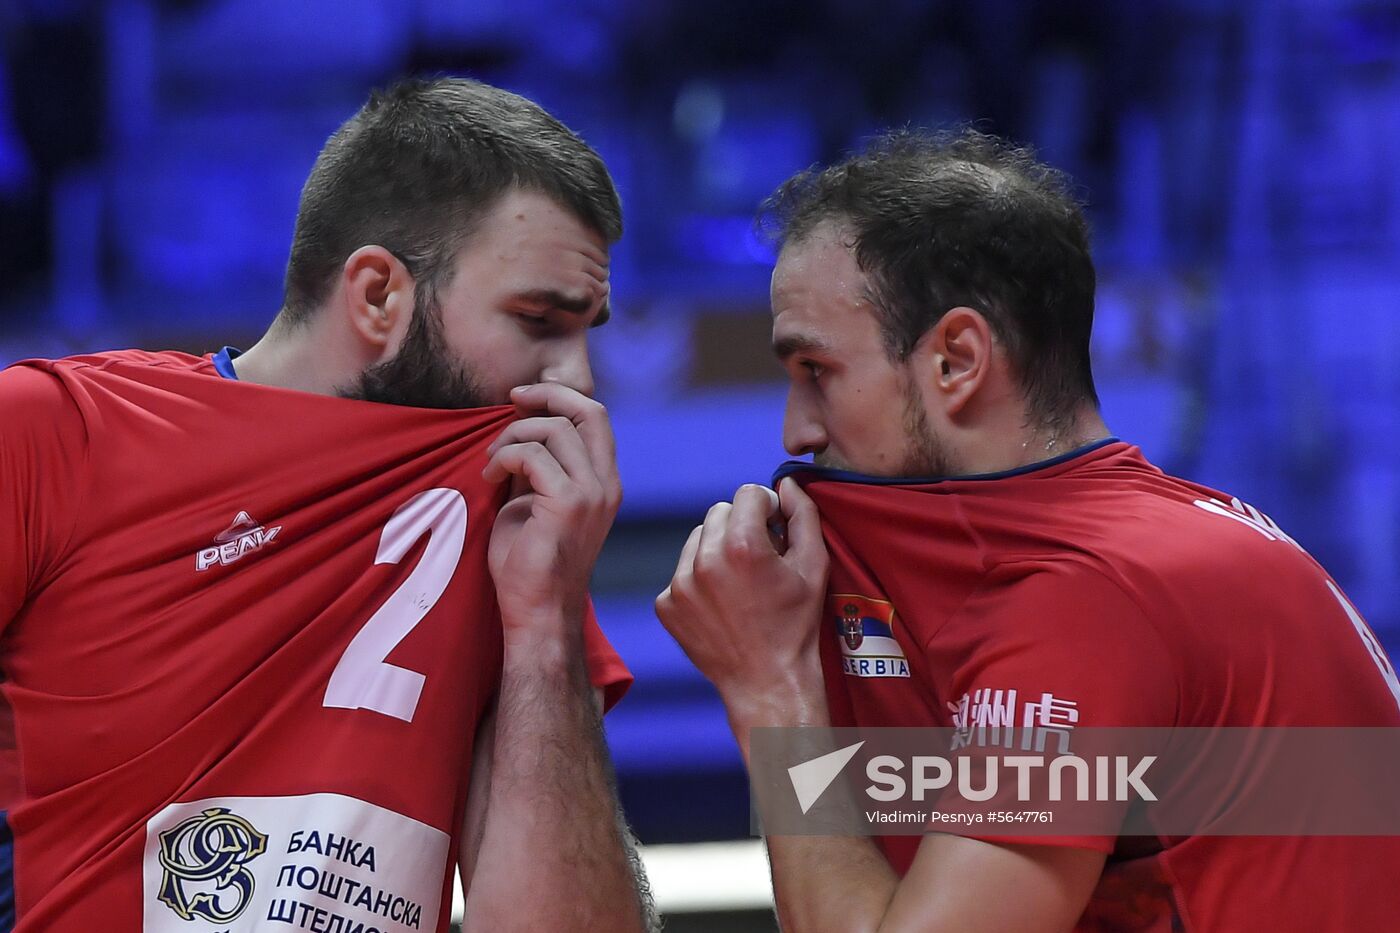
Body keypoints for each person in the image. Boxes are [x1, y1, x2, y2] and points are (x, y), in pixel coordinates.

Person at [656, 129, 1400, 932]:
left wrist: (774, 691)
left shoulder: (1081, 595)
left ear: (956, 360)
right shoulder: (1170, 536)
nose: (796, 431)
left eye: (816, 372)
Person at [0, 77, 653, 932]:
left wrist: (545, 627)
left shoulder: (516, 532)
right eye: (538, 320)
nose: (579, 380)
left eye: (585, 331)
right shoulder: (58, 431)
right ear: (378, 294)